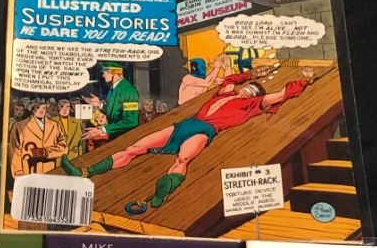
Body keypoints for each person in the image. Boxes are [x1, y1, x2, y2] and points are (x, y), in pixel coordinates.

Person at [68, 66, 311, 216]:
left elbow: (282, 94)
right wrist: (253, 74)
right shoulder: (226, 91)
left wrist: (304, 80)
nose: (247, 90)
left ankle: (160, 195)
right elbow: (231, 79)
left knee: (182, 159)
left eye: (252, 90)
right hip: (185, 125)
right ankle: (86, 172)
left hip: (205, 130)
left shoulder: (254, 104)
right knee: (135, 147)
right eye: (247, 87)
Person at [8, 99, 68, 177]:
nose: (41, 110)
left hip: (50, 169)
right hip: (29, 170)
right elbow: (14, 150)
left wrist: (46, 151)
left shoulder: (54, 125)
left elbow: (64, 147)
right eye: (38, 107)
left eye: (44, 108)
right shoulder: (19, 126)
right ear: (32, 109)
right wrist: (18, 171)